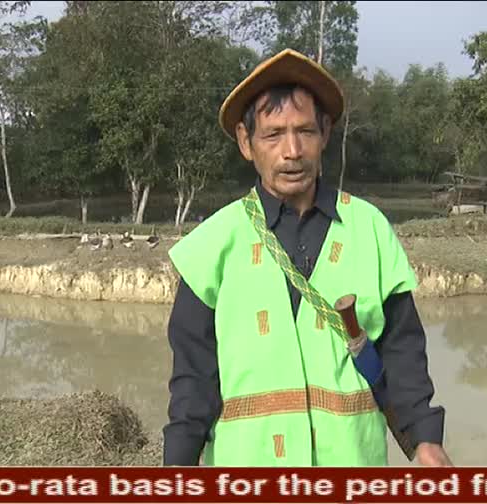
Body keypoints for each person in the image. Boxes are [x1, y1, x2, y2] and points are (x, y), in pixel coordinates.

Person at [162, 48, 451, 467]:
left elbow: (401, 348)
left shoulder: (369, 229)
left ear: (325, 132)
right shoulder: (212, 245)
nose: (292, 150)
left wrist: (424, 438)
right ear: (246, 142)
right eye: (273, 135)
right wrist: (177, 468)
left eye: (305, 131)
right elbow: (193, 379)